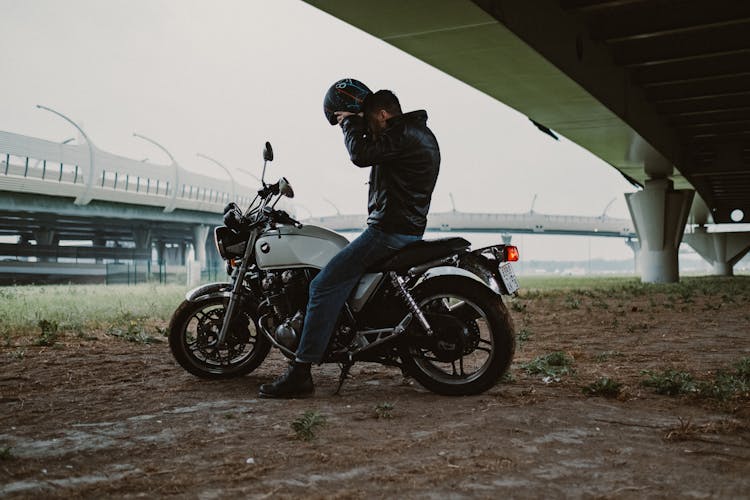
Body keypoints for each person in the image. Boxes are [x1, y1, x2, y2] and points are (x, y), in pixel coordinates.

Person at [259, 87, 441, 398]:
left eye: (371, 121)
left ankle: (301, 370)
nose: (370, 129)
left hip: (388, 231)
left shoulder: (402, 133)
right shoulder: (417, 134)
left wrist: (348, 121)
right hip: (402, 228)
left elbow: (360, 155)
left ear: (383, 114)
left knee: (323, 286)